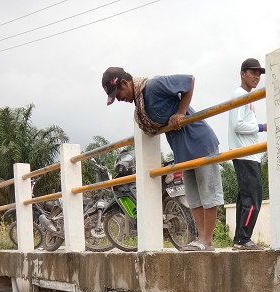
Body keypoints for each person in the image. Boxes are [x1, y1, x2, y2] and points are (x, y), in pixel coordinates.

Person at [102, 66, 224, 251]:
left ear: (125, 83)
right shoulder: (141, 105)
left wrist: (181, 112)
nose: (119, 99)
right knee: (193, 197)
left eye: (118, 94)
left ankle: (207, 240)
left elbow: (189, 80)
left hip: (199, 142)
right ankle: (201, 238)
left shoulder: (153, 86)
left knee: (208, 193)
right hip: (183, 150)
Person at [228, 58, 267, 251]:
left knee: (245, 199)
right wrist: (262, 127)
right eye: (253, 72)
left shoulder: (248, 97)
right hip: (245, 155)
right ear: (242, 73)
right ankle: (244, 239)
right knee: (253, 199)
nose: (257, 77)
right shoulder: (240, 94)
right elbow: (238, 125)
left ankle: (240, 238)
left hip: (249, 155)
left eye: (259, 74)